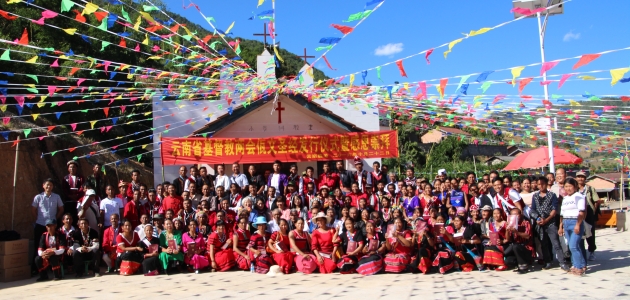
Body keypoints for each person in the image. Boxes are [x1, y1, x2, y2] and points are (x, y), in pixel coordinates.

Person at [531, 176, 568, 271]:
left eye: (543, 183)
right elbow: (533, 210)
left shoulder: (552, 195)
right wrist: (538, 219)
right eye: (539, 184)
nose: (541, 186)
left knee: (556, 243)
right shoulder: (535, 196)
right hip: (540, 224)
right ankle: (548, 262)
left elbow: (554, 210)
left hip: (550, 223)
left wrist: (547, 220)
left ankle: (562, 262)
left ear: (546, 184)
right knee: (544, 244)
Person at [31, 178, 64, 274]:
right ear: (43, 186)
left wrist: (55, 219)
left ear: (53, 187)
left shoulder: (57, 197)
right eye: (47, 185)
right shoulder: (38, 197)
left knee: (53, 244)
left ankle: (53, 266)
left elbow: (61, 209)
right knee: (38, 246)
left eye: (51, 185)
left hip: (52, 226)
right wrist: (38, 219)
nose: (49, 187)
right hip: (40, 224)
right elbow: (33, 210)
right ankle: (36, 268)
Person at [559, 178, 588, 276]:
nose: (568, 188)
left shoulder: (579, 196)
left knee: (573, 246)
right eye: (566, 186)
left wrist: (578, 224)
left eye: (570, 186)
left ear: (575, 186)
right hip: (566, 222)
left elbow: (581, 212)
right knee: (575, 246)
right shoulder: (565, 198)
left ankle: (578, 267)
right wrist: (561, 226)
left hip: (575, 221)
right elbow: (562, 214)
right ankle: (582, 264)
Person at [576, 171, 600, 261]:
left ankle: (592, 251)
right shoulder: (574, 188)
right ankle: (581, 252)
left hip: (589, 212)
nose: (580, 178)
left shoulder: (590, 189)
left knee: (590, 233)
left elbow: (597, 200)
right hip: (578, 212)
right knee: (579, 232)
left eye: (582, 177)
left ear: (585, 179)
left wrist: (594, 210)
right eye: (578, 177)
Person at [502, 208, 533, 274]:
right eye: (513, 215)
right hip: (515, 248)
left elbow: (528, 236)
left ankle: (523, 267)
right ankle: (518, 265)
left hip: (525, 248)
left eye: (517, 215)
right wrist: (507, 230)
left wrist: (517, 232)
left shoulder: (526, 223)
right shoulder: (511, 224)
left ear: (521, 215)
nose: (515, 217)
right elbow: (508, 239)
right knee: (508, 260)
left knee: (516, 246)